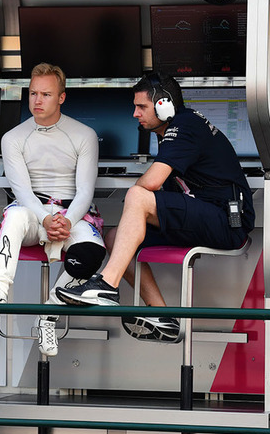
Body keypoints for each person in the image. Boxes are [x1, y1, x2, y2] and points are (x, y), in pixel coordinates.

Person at [56, 72, 255, 342]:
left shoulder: (184, 125)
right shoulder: (172, 129)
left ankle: (106, 285)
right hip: (202, 213)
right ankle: (161, 314)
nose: (135, 114)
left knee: (138, 195)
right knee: (114, 237)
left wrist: (138, 203)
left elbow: (151, 183)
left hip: (226, 221)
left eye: (141, 107)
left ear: (164, 105)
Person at [0, 62, 106, 357]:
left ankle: (48, 316)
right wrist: (46, 219)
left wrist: (66, 221)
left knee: (91, 254)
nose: (37, 100)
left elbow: (86, 190)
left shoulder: (83, 135)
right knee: (15, 214)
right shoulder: (13, 138)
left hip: (74, 214)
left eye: (46, 94)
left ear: (61, 97)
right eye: (33, 93)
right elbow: (21, 191)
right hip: (35, 214)